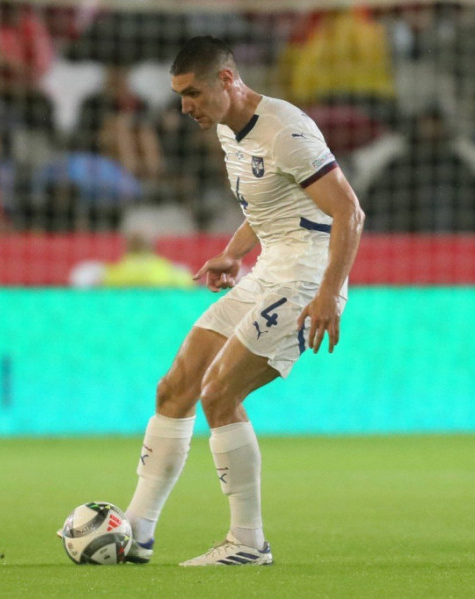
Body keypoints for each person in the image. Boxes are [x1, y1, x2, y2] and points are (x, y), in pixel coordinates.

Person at [120, 36, 364, 566]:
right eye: (179, 96)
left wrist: (328, 294)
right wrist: (233, 253)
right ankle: (136, 531)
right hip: (268, 269)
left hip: (305, 279)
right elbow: (270, 204)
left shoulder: (286, 131)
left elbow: (349, 212)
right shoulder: (228, 128)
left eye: (192, 93)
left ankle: (248, 541)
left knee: (219, 394)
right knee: (175, 387)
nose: (185, 107)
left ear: (227, 80)